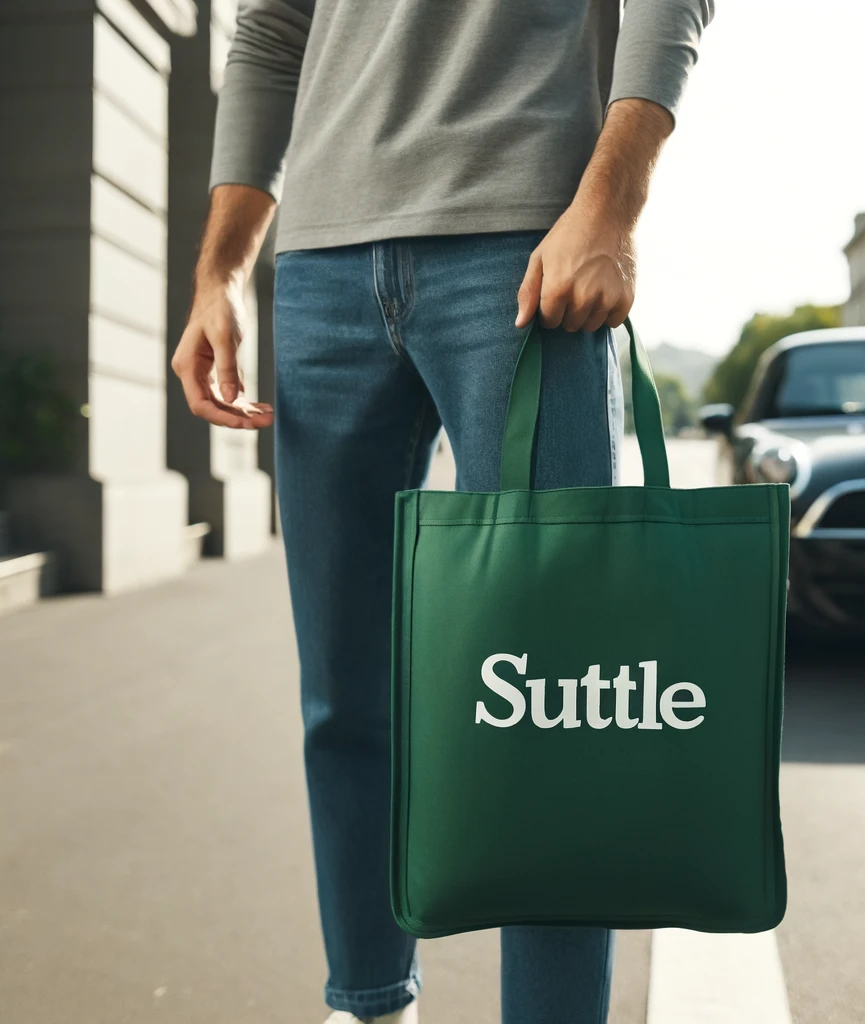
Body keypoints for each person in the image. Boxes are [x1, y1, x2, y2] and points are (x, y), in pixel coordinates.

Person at [171, 1, 714, 1021]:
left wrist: (612, 207)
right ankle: (369, 1002)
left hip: (523, 243)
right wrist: (222, 272)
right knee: (345, 697)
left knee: (554, 702)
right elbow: (271, 30)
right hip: (322, 268)